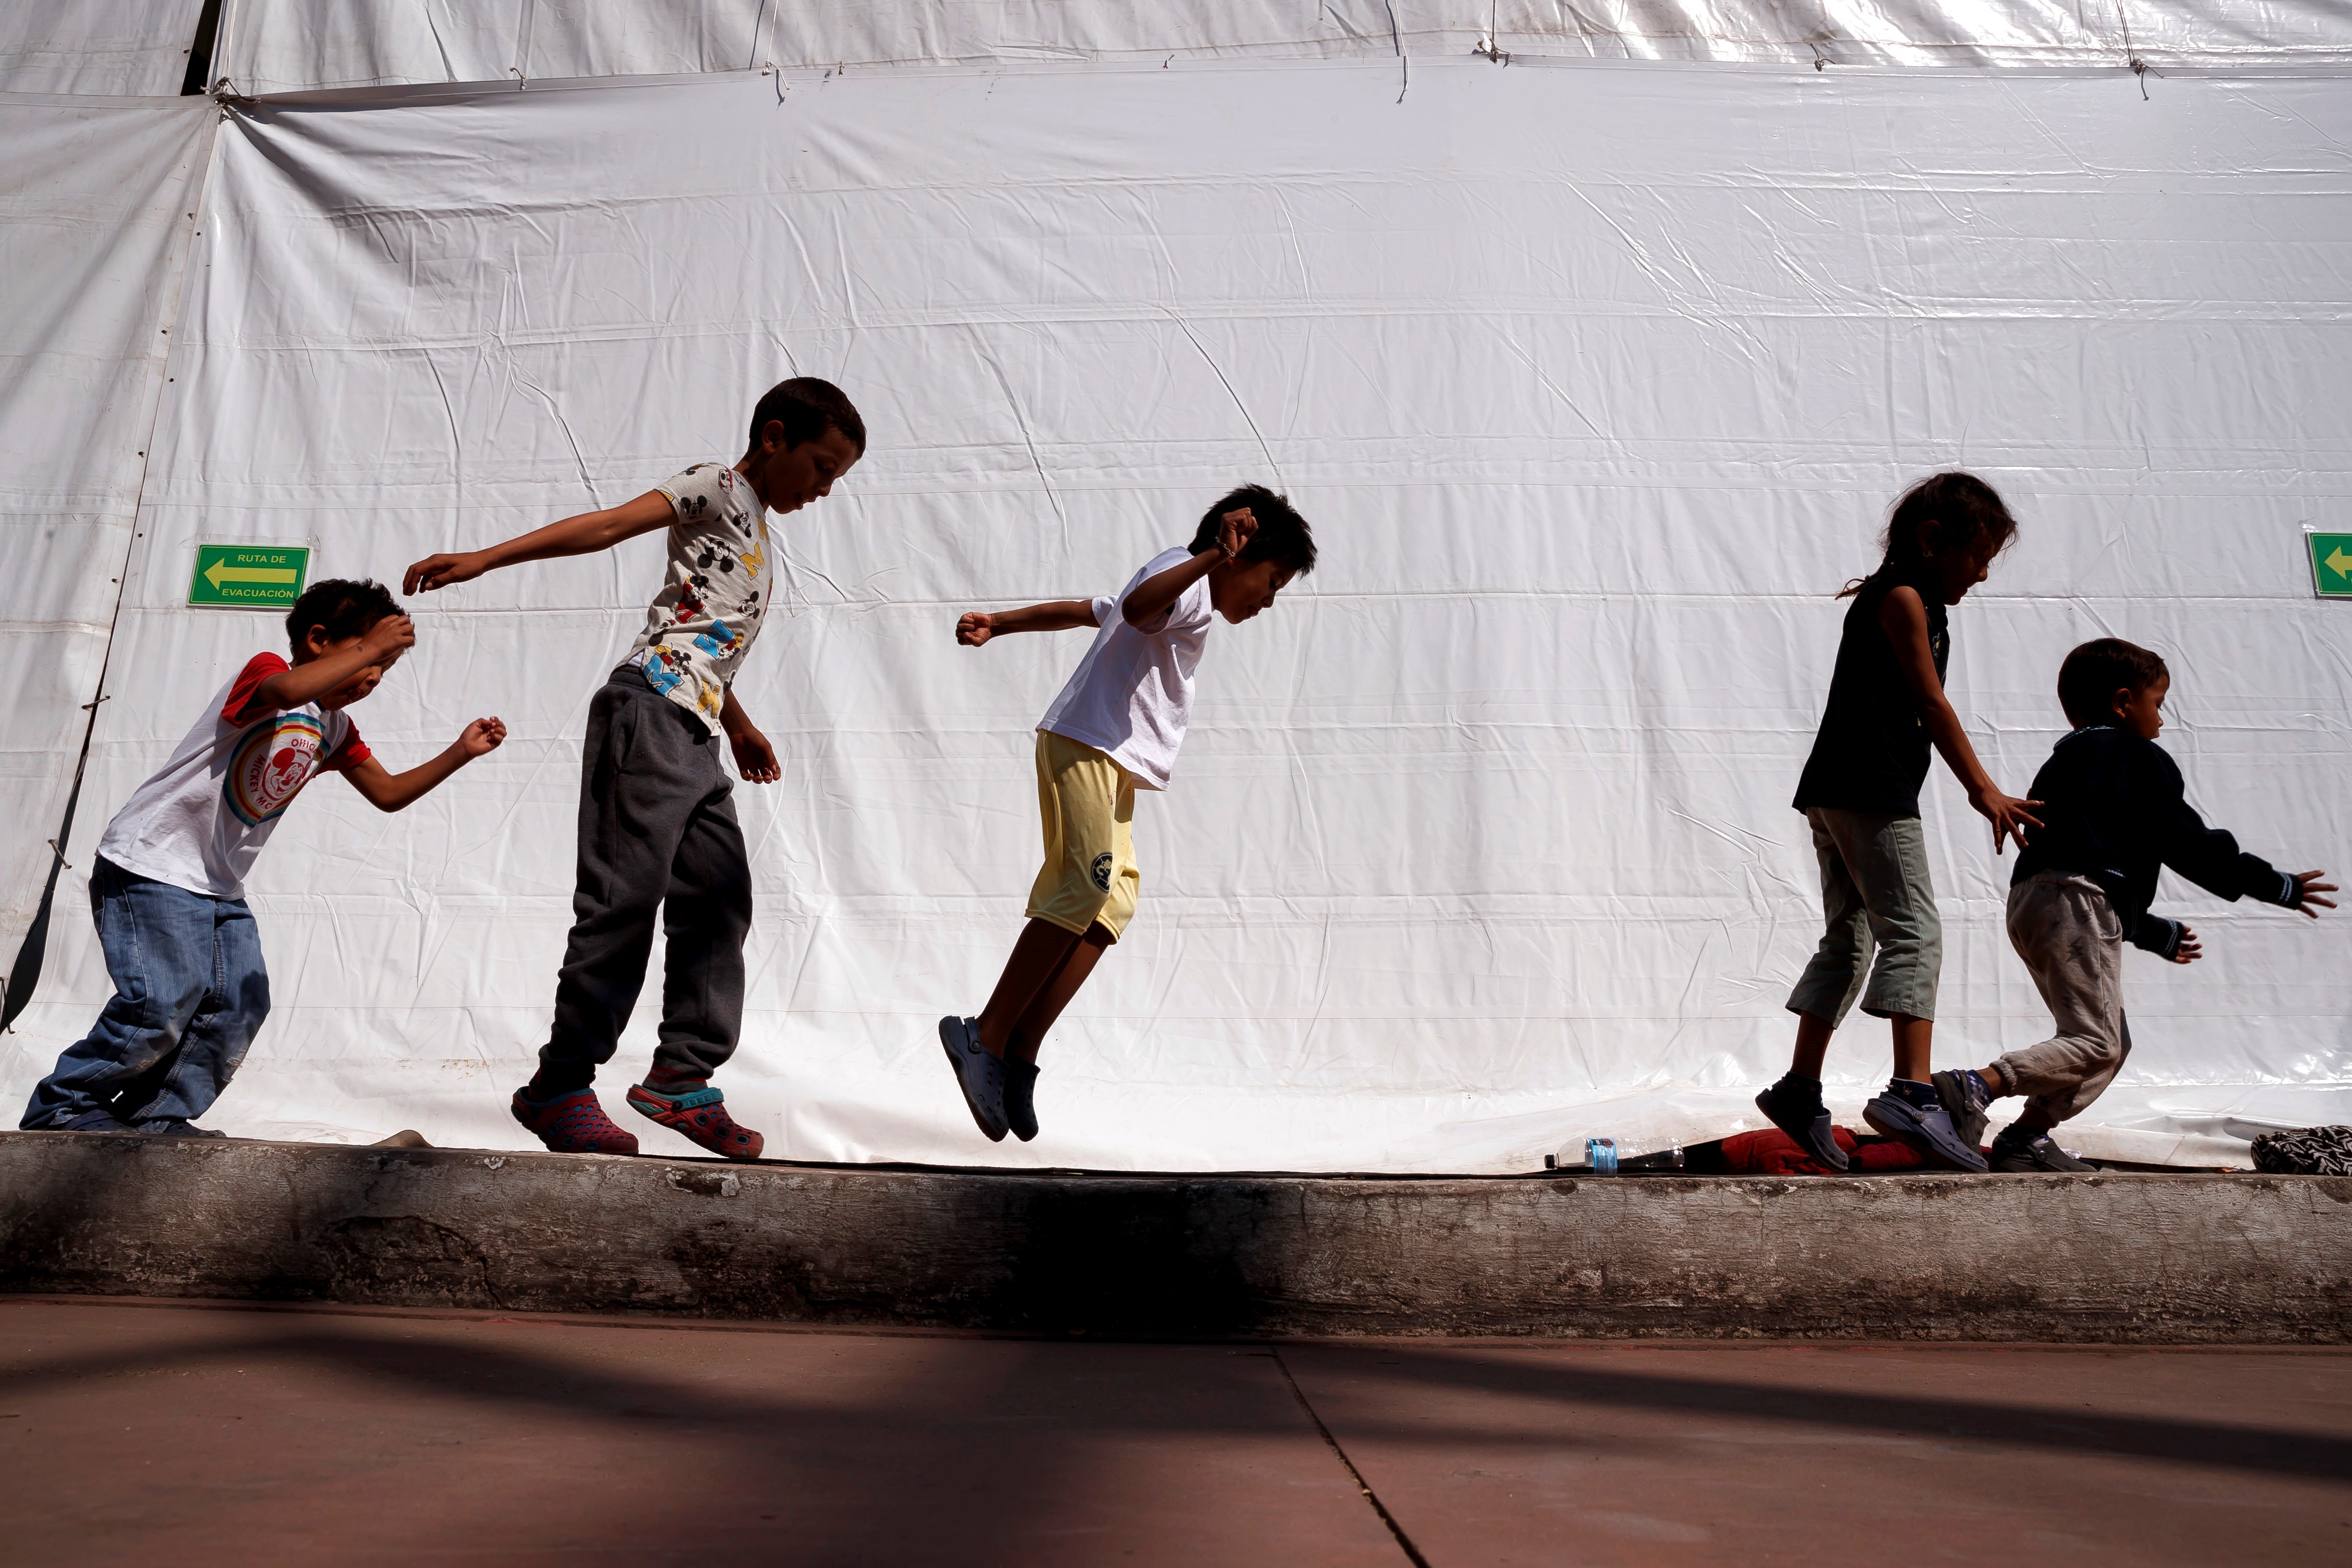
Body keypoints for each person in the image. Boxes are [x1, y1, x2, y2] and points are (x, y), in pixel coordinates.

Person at [402, 377, 864, 1159]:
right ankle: (559, 1086)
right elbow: (610, 525)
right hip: (647, 712)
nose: (823, 489)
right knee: (621, 906)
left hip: (695, 727)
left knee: (720, 902)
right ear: (776, 437)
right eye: (821, 467)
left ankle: (682, 1077)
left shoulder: (756, 528)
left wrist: (739, 722)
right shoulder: (718, 486)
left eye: (836, 479)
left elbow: (699, 636)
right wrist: (486, 558)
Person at [21, 580, 505, 1136]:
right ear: (319, 640)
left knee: (238, 1005)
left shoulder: (337, 728)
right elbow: (284, 692)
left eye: (386, 669)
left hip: (218, 887)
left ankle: (154, 1119)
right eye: (367, 658)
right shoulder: (266, 674)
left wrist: (460, 753)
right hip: (151, 865)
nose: (373, 677)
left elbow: (389, 793)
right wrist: (370, 646)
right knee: (161, 1002)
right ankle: (63, 1108)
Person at [940, 484, 1317, 1143]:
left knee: (1114, 901)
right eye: (1273, 579)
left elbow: (1095, 609)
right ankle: (985, 1034)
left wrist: (1001, 621)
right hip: (1085, 741)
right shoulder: (1188, 578)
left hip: (1111, 762)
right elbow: (1141, 610)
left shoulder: (1186, 591)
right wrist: (1209, 557)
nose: (1269, 599)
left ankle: (1021, 1046)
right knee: (1085, 879)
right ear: (1238, 552)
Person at [1931, 638, 2335, 1171]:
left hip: (2035, 900)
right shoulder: (2135, 755)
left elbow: (2098, 855)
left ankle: (2028, 1136)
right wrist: (2272, 885)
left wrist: (2150, 931)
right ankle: (1974, 1086)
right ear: (2124, 702)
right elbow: (2183, 839)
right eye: (2158, 704)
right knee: (2094, 1041)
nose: (2162, 720)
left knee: (2108, 1043)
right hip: (2076, 899)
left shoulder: (2068, 761)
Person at [1755, 473, 2043, 1173]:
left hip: (1833, 789)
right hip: (1869, 790)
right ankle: (1913, 1093)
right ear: (1931, 541)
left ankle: (1800, 1087)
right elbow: (1932, 704)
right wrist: (1986, 790)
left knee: (1850, 939)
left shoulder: (1906, 600)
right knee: (1915, 929)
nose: (1981, 573)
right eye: (1978, 556)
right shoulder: (1904, 598)